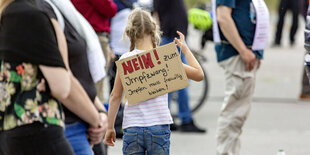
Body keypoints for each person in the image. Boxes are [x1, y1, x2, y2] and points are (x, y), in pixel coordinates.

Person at [0, 0, 102, 154]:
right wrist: (96, 120)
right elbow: (62, 86)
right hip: (42, 126)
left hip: (12, 128)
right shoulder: (33, 14)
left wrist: (100, 112)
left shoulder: (9, 13)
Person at [104, 9, 204, 154]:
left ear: (129, 33)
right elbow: (199, 74)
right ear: (155, 30)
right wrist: (186, 50)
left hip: (133, 127)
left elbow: (115, 96)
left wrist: (110, 127)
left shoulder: (126, 60)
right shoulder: (164, 58)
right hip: (159, 127)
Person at [36, 0, 108, 154]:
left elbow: (78, 73)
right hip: (66, 126)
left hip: (80, 122)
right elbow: (63, 80)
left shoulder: (60, 7)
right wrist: (96, 119)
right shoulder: (39, 10)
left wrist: (102, 113)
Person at [215, 0, 266, 154]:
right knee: (233, 114)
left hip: (244, 53)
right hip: (238, 54)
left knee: (238, 115)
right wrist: (244, 51)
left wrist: (255, 51)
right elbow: (223, 17)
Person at [153, 0, 206, 133]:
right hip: (173, 36)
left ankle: (167, 117)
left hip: (173, 35)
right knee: (179, 80)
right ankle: (185, 119)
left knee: (171, 81)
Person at [71, 0, 117, 105]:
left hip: (80, 36)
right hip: (96, 37)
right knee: (97, 87)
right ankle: (98, 118)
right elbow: (110, 9)